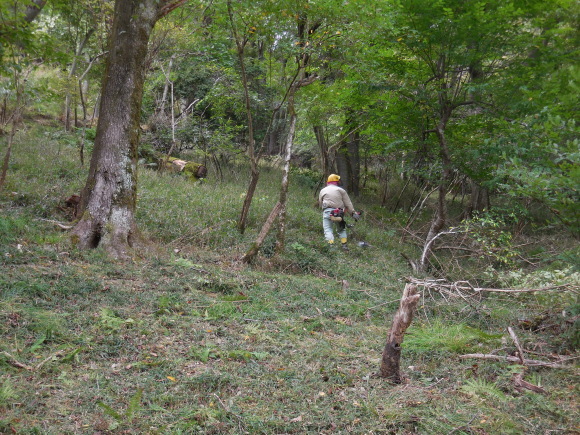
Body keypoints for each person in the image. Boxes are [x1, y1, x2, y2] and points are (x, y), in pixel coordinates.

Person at [318, 174, 359, 250]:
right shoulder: (341, 190)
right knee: (341, 229)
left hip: (327, 212)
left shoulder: (323, 190)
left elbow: (320, 203)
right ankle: (344, 245)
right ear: (336, 182)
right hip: (338, 213)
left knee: (328, 230)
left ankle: (331, 246)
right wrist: (353, 213)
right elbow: (348, 203)